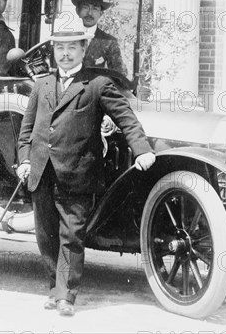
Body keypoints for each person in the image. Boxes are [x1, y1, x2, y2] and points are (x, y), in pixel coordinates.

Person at [16, 31, 156, 316]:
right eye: (60, 48)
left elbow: (126, 118)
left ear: (83, 50)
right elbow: (26, 132)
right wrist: (24, 161)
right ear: (54, 51)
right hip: (41, 172)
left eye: (72, 48)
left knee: (72, 235)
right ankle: (55, 288)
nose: (65, 54)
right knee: (46, 236)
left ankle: (66, 296)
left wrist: (142, 150)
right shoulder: (41, 84)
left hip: (77, 173)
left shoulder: (97, 84)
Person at [71, 0, 127, 76]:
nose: (89, 13)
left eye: (95, 9)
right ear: (77, 10)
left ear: (101, 13)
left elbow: (120, 73)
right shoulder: (66, 36)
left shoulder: (109, 42)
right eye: (85, 7)